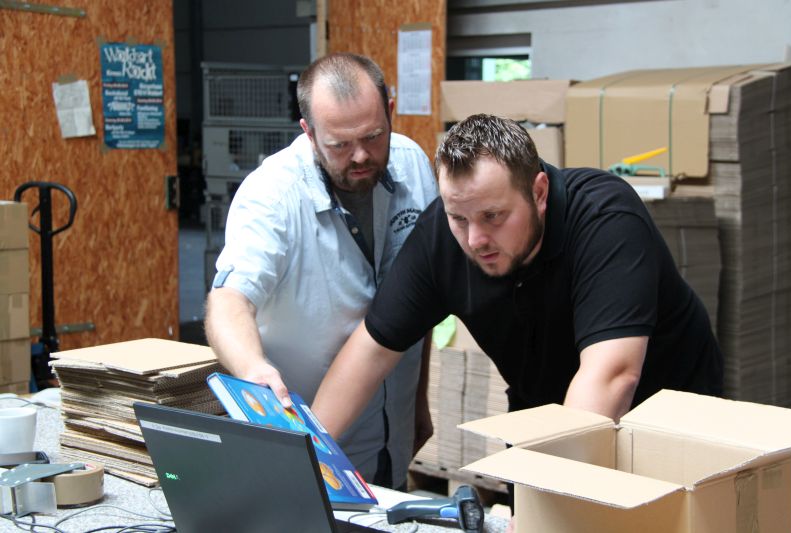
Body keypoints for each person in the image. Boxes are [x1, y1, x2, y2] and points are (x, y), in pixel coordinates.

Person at [306, 113, 723, 443]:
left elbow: (612, 375)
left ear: (539, 192)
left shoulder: (603, 218)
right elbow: (371, 350)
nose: (475, 239)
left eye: (494, 216)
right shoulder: (442, 237)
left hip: (665, 418)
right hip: (545, 413)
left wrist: (551, 498)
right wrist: (310, 454)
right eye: (459, 218)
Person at [204, 53, 439, 490]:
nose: (361, 156)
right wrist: (251, 367)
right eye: (340, 145)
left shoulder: (413, 166)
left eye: (373, 136)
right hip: (314, 458)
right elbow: (229, 299)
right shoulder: (272, 195)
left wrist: (419, 402)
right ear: (308, 132)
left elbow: (421, 301)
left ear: (390, 113)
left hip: (393, 441)